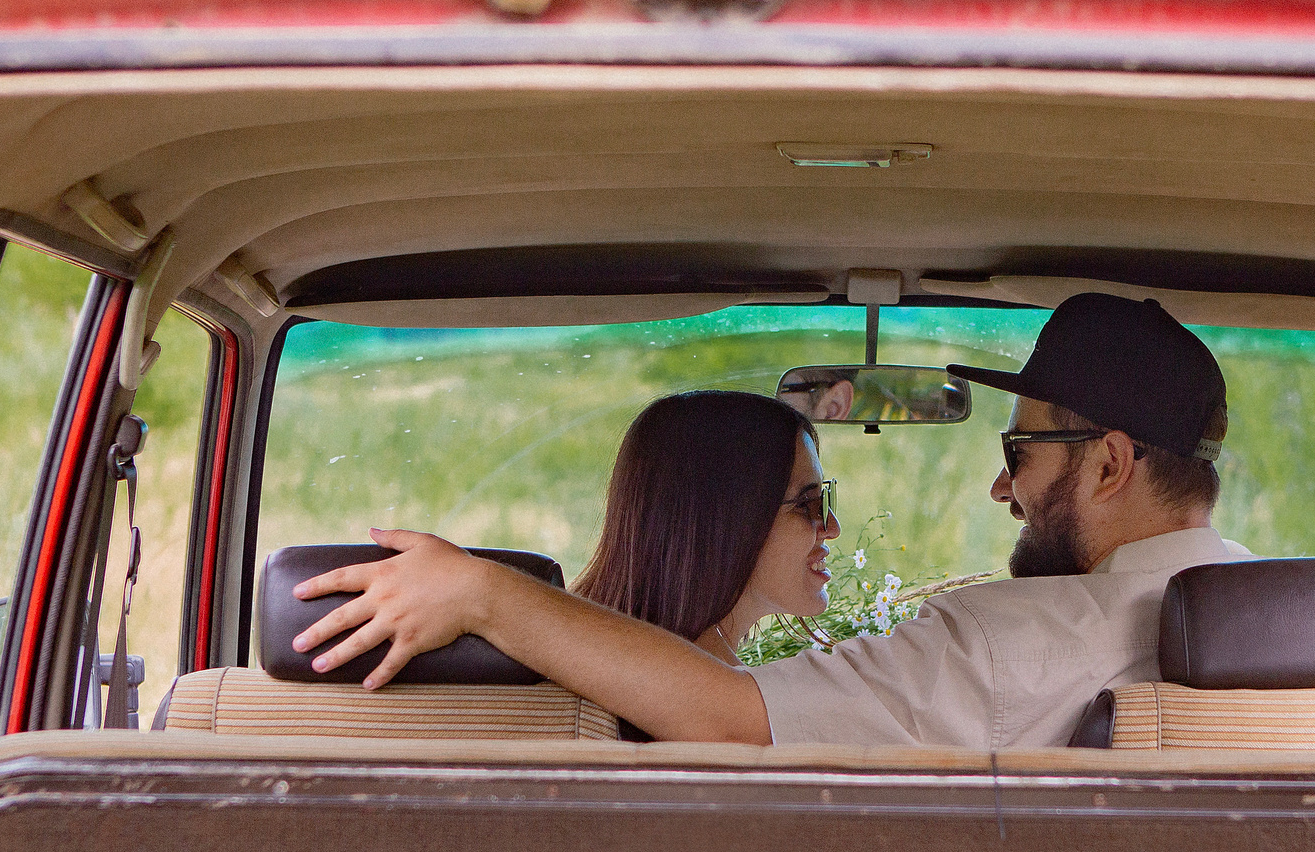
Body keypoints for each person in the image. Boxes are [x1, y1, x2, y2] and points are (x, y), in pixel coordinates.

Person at [290, 293, 1244, 746]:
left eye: (1016, 454)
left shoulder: (1003, 646)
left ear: (1110, 463)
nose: (1004, 492)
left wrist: (484, 591)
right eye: (810, 505)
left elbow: (730, 716)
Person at [569, 390, 840, 662]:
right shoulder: (726, 696)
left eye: (825, 499)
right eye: (806, 504)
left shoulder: (601, 654)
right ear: (728, 522)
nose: (832, 527)